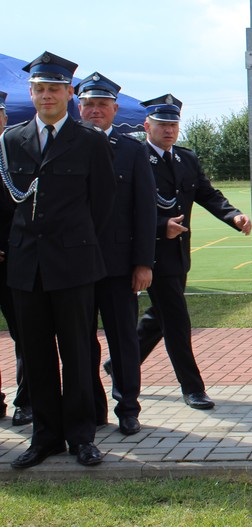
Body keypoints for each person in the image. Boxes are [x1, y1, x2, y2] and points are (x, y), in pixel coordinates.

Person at [1, 51, 116, 468]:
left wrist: (76, 246)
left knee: (76, 351)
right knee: (36, 353)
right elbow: (9, 203)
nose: (46, 95)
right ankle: (44, 436)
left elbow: (102, 205)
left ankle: (81, 436)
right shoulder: (12, 139)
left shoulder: (88, 141)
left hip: (73, 264)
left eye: (54, 88)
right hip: (26, 266)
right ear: (31, 93)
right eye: (39, 89)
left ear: (69, 93)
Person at [133, 94, 251, 410]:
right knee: (177, 320)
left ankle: (121, 365)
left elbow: (207, 194)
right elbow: (124, 208)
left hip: (176, 254)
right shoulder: (135, 157)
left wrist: (233, 215)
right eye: (162, 124)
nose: (169, 130)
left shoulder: (186, 160)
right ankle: (193, 388)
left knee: (160, 316)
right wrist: (161, 226)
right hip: (145, 252)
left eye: (173, 124)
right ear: (147, 125)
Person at [77, 73, 155, 436]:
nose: (95, 111)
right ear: (78, 108)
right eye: (88, 105)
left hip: (119, 265)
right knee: (80, 340)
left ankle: (127, 406)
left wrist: (143, 262)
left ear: (114, 109)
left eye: (102, 105)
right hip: (73, 265)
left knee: (123, 338)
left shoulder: (132, 150)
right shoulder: (66, 145)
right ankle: (92, 408)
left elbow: (144, 210)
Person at [1, 90, 34, 427]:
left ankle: (26, 401)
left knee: (26, 336)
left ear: (4, 119)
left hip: (15, 260)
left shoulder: (16, 155)